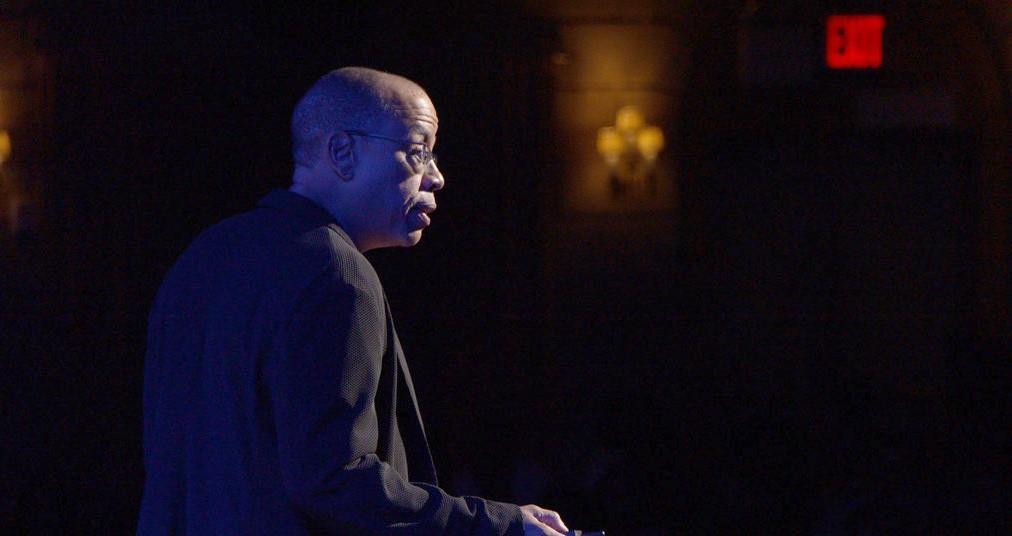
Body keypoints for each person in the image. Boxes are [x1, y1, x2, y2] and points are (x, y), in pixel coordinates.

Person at [137, 67, 569, 535]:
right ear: (343, 152)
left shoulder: (204, 255)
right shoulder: (336, 273)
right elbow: (334, 482)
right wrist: (500, 525)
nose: (437, 177)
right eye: (419, 152)